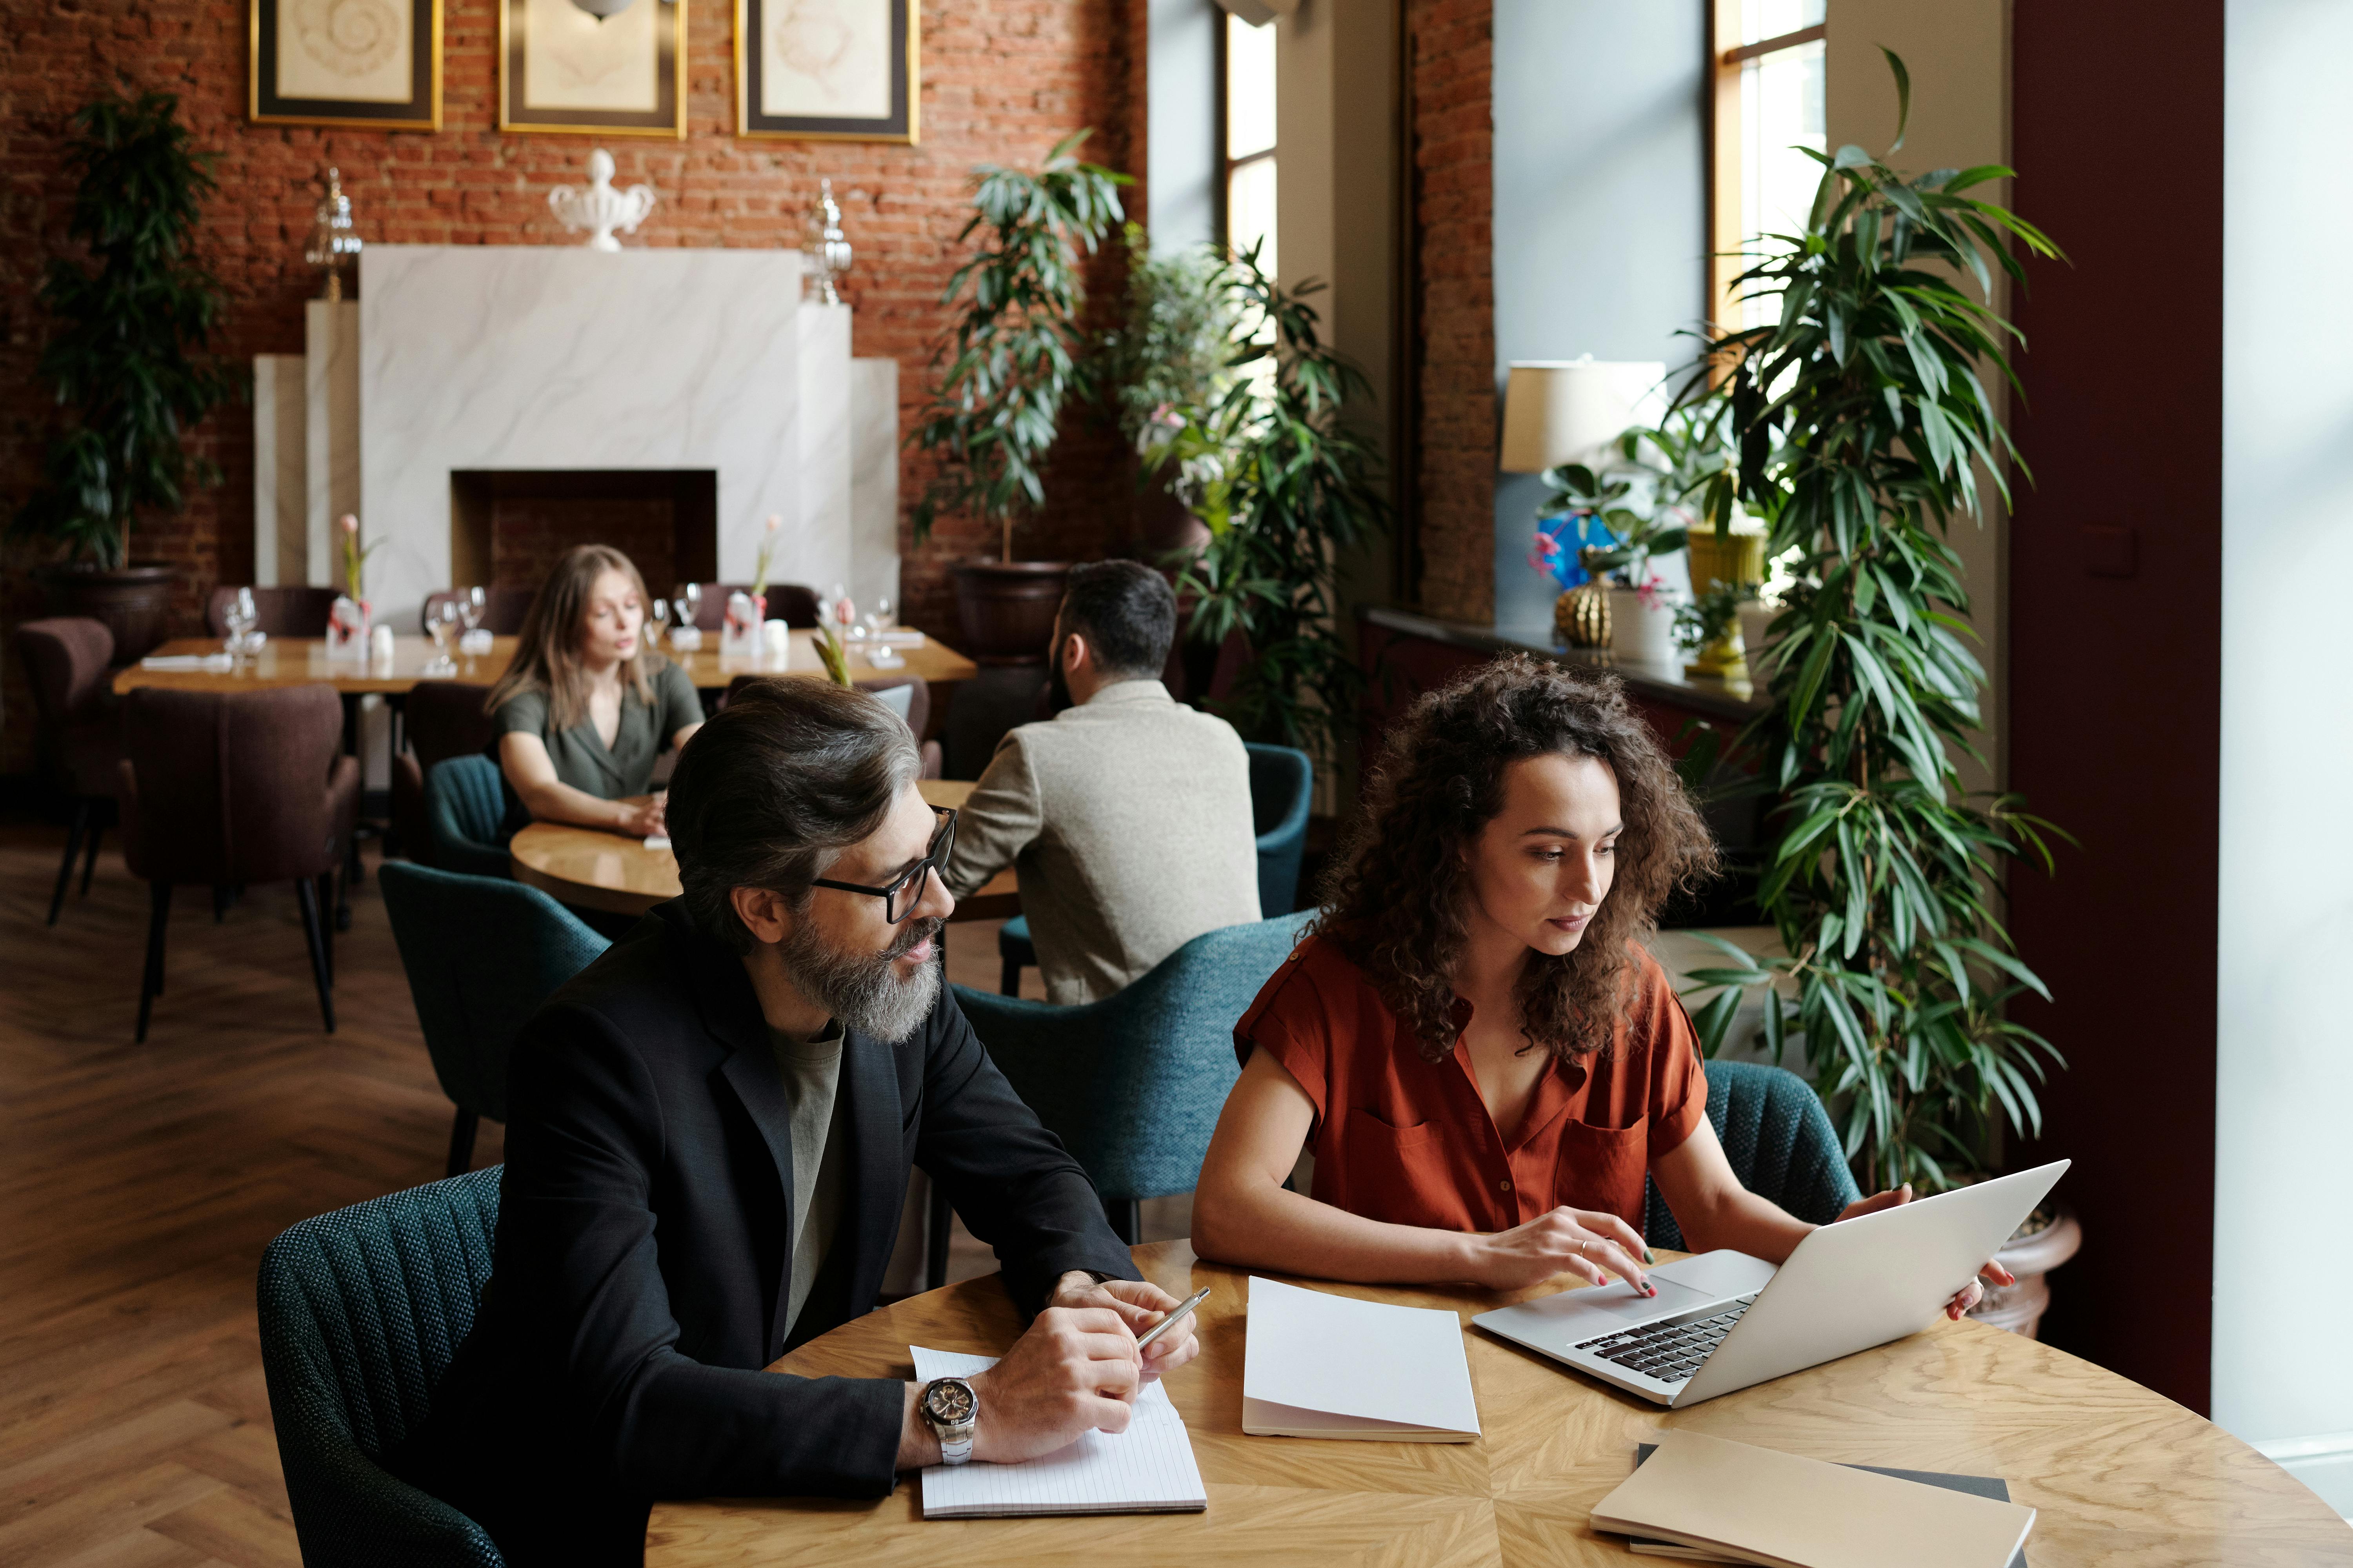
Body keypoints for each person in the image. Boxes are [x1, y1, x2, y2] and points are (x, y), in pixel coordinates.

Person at [389, 680, 1202, 1566]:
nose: (938, 902)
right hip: (595, 1509)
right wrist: (974, 1413)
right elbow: (625, 1403)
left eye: (934, 853)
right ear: (764, 907)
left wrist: (1081, 1285)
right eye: (897, 880)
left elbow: (1028, 1174)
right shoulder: (596, 1056)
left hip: (785, 1459)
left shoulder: (893, 992)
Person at [1190, 654, 2011, 1316]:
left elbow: (1717, 1209)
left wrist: (1845, 1253)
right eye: (1549, 851)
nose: (1590, 885)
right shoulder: (1339, 984)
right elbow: (1227, 1208)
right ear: (1457, 846)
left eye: (1609, 845)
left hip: (1580, 1381)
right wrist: (1481, 1256)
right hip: (1397, 1369)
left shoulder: (1630, 993)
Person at [945, 560, 1260, 1003]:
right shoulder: (1223, 739)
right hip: (1238, 1040)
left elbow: (942, 880)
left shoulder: (1039, 755)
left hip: (1116, 1048)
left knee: (942, 1037)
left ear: (1073, 651)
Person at [485, 543, 703, 839]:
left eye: (631, 605)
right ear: (567, 624)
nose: (625, 623)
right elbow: (539, 794)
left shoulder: (665, 678)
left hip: (626, 851)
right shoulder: (523, 699)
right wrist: (628, 817)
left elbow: (708, 761)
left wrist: (682, 799)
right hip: (544, 859)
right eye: (603, 613)